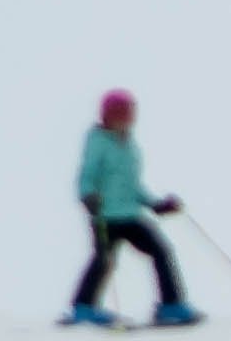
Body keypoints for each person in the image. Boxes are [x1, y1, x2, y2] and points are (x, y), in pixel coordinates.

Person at [69, 90, 201, 328]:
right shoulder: (98, 142)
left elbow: (132, 186)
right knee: (103, 261)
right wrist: (87, 196)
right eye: (120, 114)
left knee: (161, 251)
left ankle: (171, 306)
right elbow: (86, 175)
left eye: (129, 114)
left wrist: (156, 204)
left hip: (129, 215)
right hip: (105, 217)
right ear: (107, 116)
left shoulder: (130, 146)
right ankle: (83, 308)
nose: (126, 119)